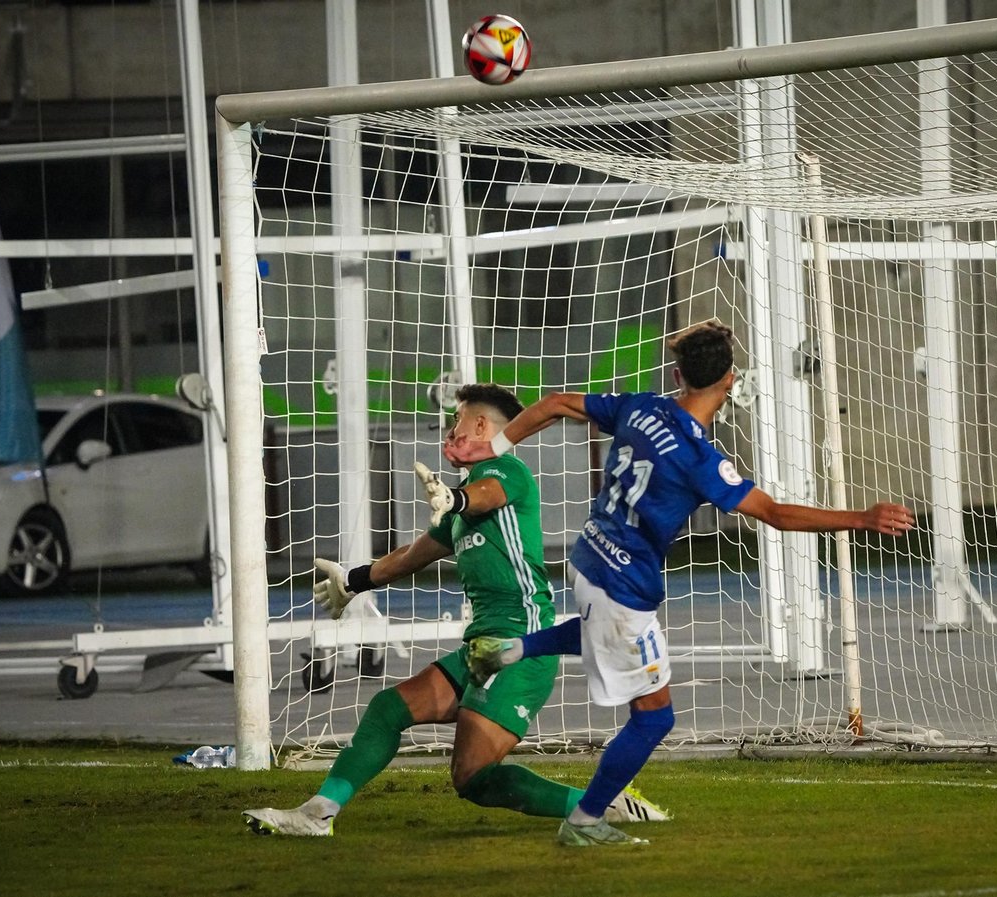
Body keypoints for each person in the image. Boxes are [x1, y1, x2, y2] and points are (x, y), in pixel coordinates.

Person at [453, 321, 915, 847]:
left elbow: (557, 401)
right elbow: (776, 514)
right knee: (654, 719)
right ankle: (584, 821)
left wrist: (497, 445)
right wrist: (862, 517)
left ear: (677, 373)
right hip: (624, 587)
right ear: (732, 381)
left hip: (586, 561)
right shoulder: (701, 461)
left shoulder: (640, 407)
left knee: (596, 630)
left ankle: (509, 650)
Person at [242, 384, 663, 837]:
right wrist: (353, 582)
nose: (448, 432)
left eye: (456, 421)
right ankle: (317, 813)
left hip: (520, 643)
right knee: (388, 709)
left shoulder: (507, 473)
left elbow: (487, 494)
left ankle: (597, 806)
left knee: (471, 776)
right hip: (482, 645)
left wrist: (456, 500)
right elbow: (413, 555)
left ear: (481, 426)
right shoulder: (463, 500)